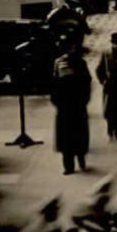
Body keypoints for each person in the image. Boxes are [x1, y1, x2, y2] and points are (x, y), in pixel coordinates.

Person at [51, 46, 92, 175]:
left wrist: (85, 100)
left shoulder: (81, 64)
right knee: (67, 138)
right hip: (66, 106)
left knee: (77, 136)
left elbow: (87, 83)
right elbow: (54, 84)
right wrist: (56, 101)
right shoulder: (59, 63)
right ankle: (69, 165)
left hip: (76, 105)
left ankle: (79, 160)